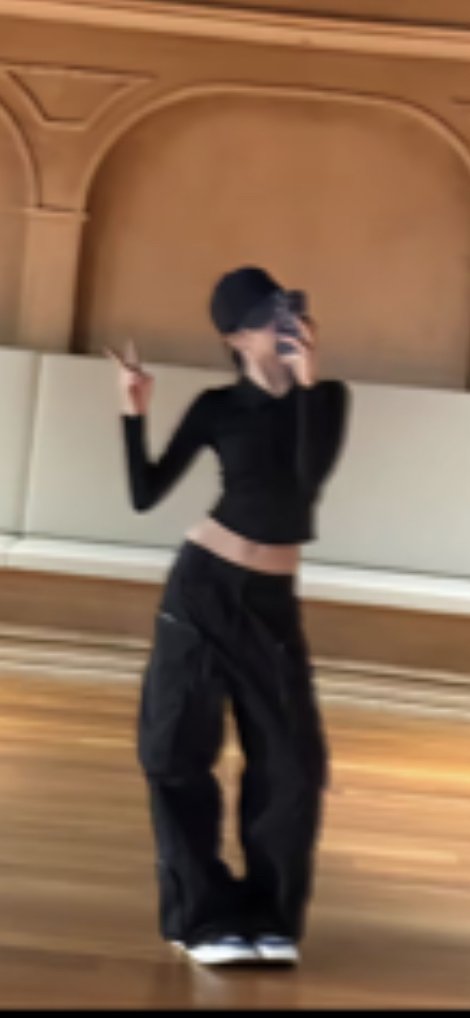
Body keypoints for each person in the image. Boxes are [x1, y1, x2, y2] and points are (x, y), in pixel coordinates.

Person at [109, 266, 350, 967]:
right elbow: (145, 493)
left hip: (271, 604)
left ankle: (269, 915)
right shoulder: (217, 407)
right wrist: (133, 409)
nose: (283, 325)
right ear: (237, 337)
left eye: (287, 311)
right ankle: (202, 918)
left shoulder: (326, 397)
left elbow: (306, 483)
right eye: (266, 317)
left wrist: (306, 382)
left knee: (293, 762)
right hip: (203, 591)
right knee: (178, 751)